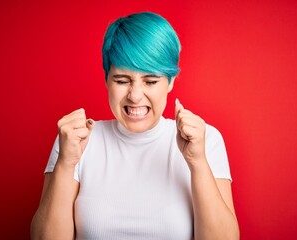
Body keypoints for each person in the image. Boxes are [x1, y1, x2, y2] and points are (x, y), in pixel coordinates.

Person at [31, 12, 239, 240]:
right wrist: (65, 164)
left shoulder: (206, 141)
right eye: (122, 80)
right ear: (106, 80)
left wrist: (197, 162)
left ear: (170, 82)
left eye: (150, 81)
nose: (135, 96)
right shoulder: (75, 141)